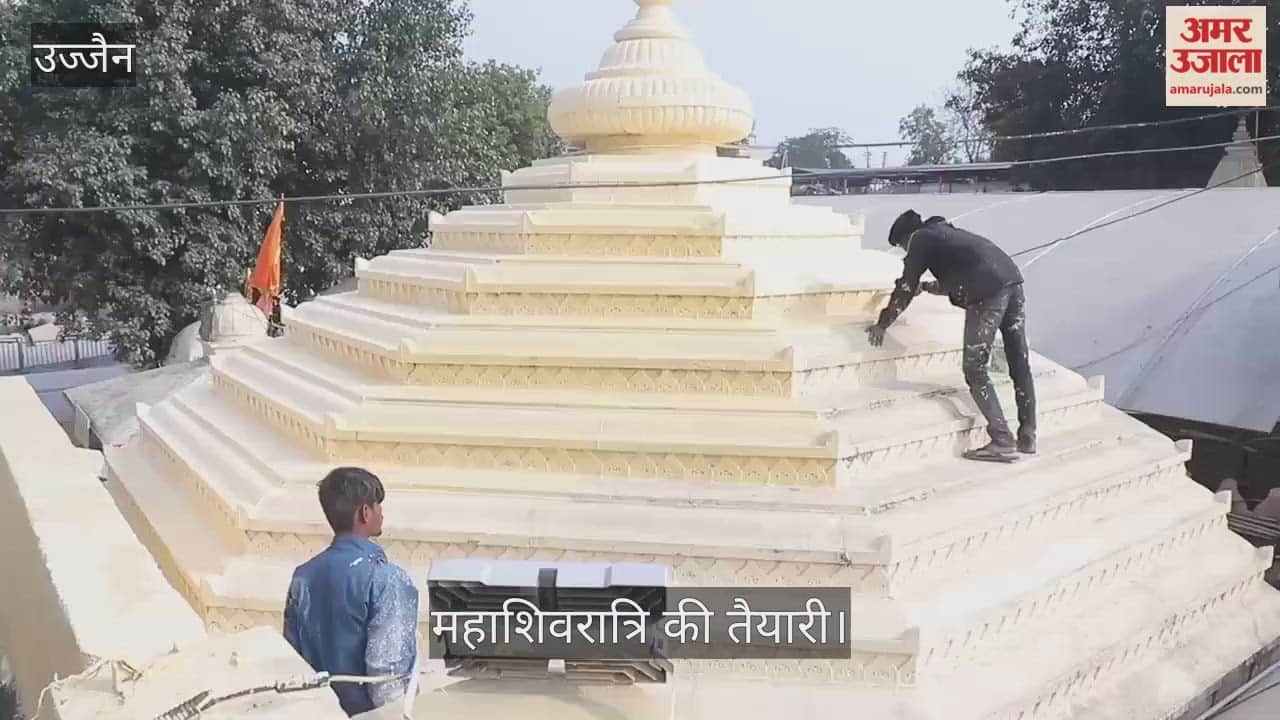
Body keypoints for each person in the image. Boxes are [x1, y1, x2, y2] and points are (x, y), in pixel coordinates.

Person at [866, 210, 1037, 462]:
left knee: (975, 368)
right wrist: (925, 288)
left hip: (987, 292)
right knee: (1018, 361)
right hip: (1011, 281)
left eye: (903, 247)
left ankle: (1002, 440)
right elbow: (955, 280)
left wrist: (883, 323)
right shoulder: (946, 235)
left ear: (906, 238)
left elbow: (905, 286)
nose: (906, 252)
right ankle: (1028, 435)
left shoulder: (920, 240)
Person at [283, 467, 419, 716]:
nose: (382, 512)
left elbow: (294, 661)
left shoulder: (302, 577)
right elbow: (386, 676)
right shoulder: (387, 579)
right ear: (365, 513)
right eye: (378, 505)